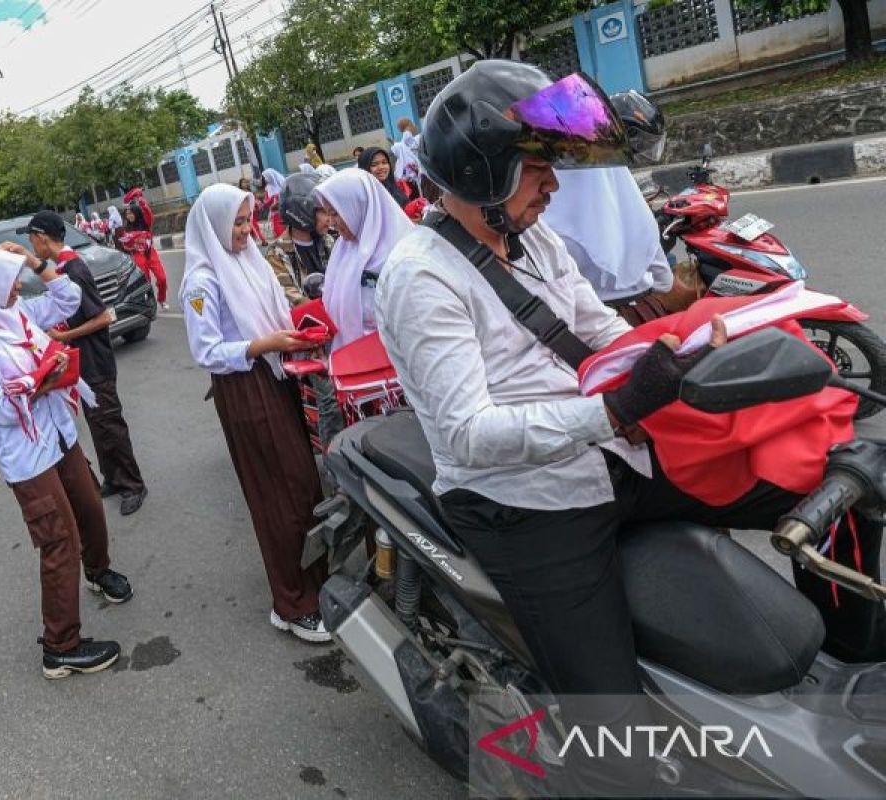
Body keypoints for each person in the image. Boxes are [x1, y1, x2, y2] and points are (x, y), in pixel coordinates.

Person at [377, 61, 884, 794]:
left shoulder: (535, 243)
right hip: (527, 506)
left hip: (617, 462)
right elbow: (467, 434)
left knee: (841, 475)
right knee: (614, 739)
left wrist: (683, 352)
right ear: (481, 168)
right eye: (537, 166)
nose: (552, 184)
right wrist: (612, 411)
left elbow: (602, 332)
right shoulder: (421, 279)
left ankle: (853, 656)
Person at [0, 244, 131, 679]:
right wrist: (38, 381)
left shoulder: (13, 314)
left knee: (89, 509)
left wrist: (36, 263)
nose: (17, 286)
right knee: (59, 539)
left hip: (58, 433)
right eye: (9, 279)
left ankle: (98, 571)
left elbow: (68, 299)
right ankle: (60, 646)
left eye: (17, 277)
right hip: (27, 456)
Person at [180, 183, 330, 643]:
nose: (246, 230)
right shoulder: (202, 282)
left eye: (249, 220)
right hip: (245, 388)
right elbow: (206, 351)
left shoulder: (248, 261)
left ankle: (316, 587)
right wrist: (268, 344)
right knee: (276, 496)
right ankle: (292, 604)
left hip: (275, 375)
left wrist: (302, 329)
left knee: (302, 485)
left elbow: (278, 311)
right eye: (238, 223)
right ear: (214, 225)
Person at [18, 211, 148, 516]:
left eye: (32, 237)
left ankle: (133, 484)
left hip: (96, 359)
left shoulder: (73, 268)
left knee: (109, 423)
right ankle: (114, 478)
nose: (31, 243)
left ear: (42, 237)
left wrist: (66, 336)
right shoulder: (62, 266)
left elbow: (102, 316)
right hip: (83, 362)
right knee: (97, 423)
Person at [542, 90, 680, 325]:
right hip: (646, 315)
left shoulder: (548, 232)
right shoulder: (639, 215)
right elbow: (664, 281)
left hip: (593, 327)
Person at [313, 169, 413, 351]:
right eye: (328, 214)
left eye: (335, 213)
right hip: (351, 362)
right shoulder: (343, 249)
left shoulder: (402, 252)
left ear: (357, 206)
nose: (331, 222)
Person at [265, 172, 332, 306]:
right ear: (301, 210)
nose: (329, 218)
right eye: (323, 211)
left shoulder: (328, 241)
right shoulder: (278, 253)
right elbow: (292, 297)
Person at [115, 188, 169, 311]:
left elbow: (148, 213)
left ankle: (162, 298)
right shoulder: (126, 229)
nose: (129, 216)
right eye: (127, 214)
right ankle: (150, 302)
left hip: (150, 253)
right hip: (137, 256)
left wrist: (141, 200)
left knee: (162, 278)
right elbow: (125, 246)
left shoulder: (146, 223)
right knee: (146, 282)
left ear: (137, 213)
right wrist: (128, 244)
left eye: (131, 213)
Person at [238, 177, 267, 245]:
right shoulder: (238, 192)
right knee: (250, 226)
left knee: (254, 226)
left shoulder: (250, 192)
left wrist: (256, 206)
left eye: (247, 182)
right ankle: (259, 241)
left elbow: (255, 201)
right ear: (240, 184)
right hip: (244, 213)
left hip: (252, 212)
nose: (246, 184)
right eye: (244, 182)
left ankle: (261, 240)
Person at [260, 168, 287, 238]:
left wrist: (277, 200)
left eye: (265, 177)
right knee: (278, 230)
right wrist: (268, 202)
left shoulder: (282, 186)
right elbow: (266, 201)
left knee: (285, 229)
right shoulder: (267, 188)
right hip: (275, 213)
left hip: (283, 212)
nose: (265, 179)